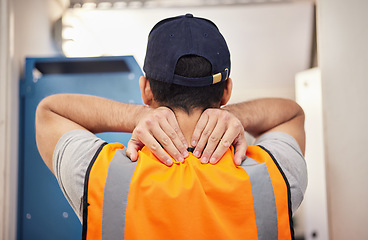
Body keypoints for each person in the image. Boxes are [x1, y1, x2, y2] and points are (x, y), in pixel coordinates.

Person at [36, 14, 307, 240]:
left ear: (146, 90)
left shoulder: (103, 175)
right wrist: (234, 115)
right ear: (226, 91)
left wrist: (135, 115)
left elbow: (49, 112)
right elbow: (292, 115)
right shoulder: (271, 175)